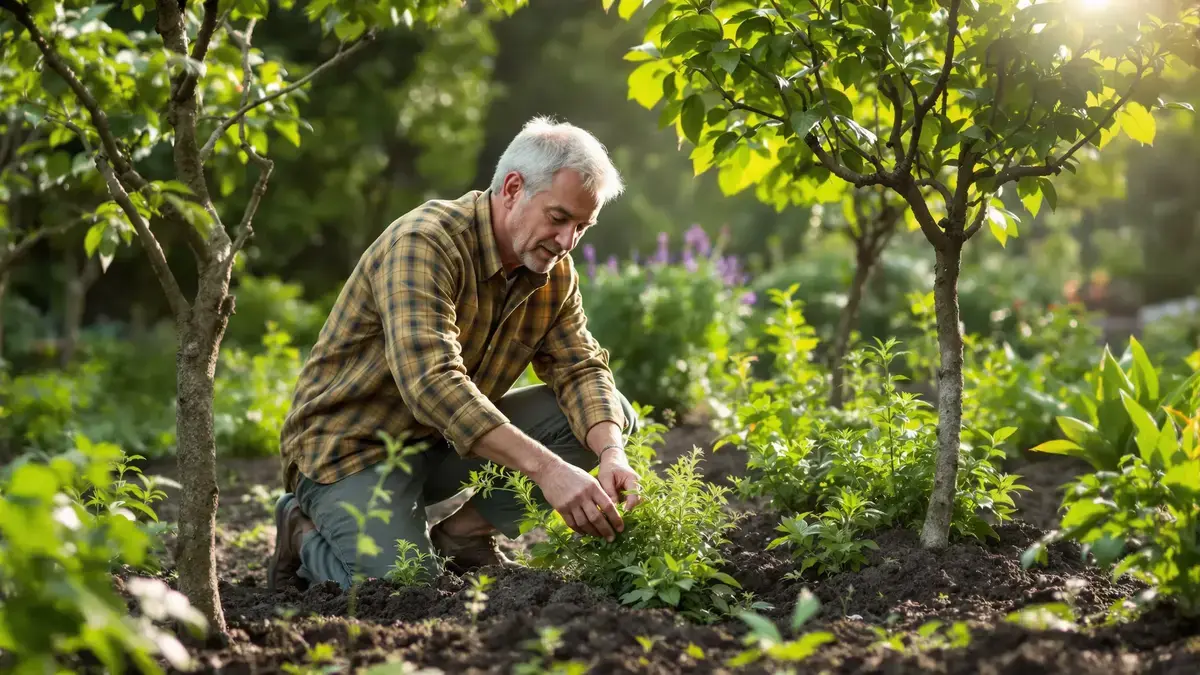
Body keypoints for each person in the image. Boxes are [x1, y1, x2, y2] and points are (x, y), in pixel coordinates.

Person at [267, 116, 643, 592]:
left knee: (609, 417)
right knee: (406, 589)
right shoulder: (425, 242)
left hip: (441, 444)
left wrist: (611, 454)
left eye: (582, 227)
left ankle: (462, 535)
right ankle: (301, 531)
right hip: (351, 452)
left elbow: (581, 367)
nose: (568, 241)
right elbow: (432, 383)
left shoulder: (553, 270)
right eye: (558, 218)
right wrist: (548, 470)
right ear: (512, 188)